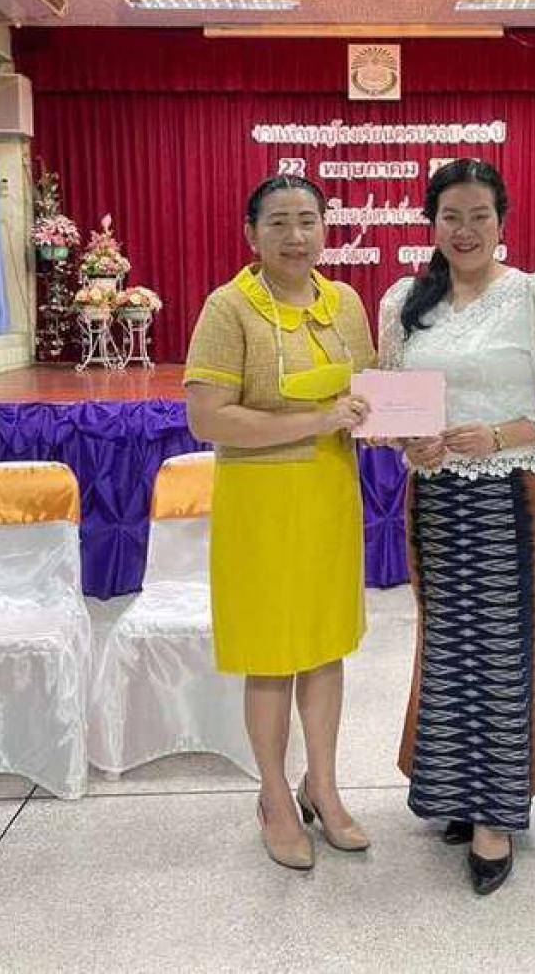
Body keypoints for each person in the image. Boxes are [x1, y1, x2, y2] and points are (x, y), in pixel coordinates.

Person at [377, 157, 535, 896]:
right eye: (451, 216)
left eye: (479, 215)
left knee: (507, 649)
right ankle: (455, 792)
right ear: (432, 223)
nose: (465, 230)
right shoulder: (405, 300)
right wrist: (409, 441)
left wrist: (500, 435)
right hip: (435, 501)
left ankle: (497, 816)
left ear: (501, 221)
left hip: (515, 495)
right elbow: (390, 405)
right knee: (448, 646)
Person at [184, 174, 375, 871]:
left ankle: (321, 786)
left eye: (308, 221)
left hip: (328, 496)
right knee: (270, 658)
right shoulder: (228, 307)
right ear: (251, 233)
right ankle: (272, 796)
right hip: (259, 504)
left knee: (324, 647)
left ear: (326, 228)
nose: (296, 236)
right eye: (278, 223)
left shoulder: (345, 303)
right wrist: (316, 420)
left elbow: (367, 398)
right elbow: (207, 418)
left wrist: (392, 424)